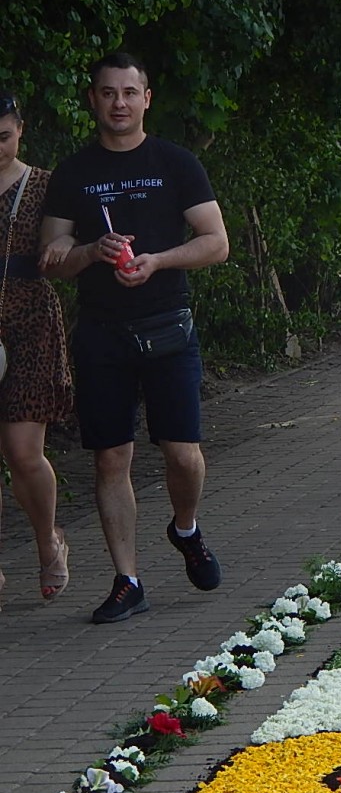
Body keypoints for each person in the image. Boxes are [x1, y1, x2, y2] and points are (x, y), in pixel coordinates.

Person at [40, 52, 229, 624]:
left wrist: (158, 261)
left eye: (129, 92)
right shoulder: (72, 173)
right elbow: (50, 258)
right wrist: (88, 253)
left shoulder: (175, 162)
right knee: (109, 459)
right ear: (92, 99)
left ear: (147, 99)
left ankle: (186, 527)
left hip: (168, 327)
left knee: (183, 454)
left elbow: (216, 242)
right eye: (107, 93)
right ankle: (128, 580)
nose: (118, 103)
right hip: (101, 334)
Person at [0, 92, 73, 604]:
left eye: (2, 137)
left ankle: (48, 540)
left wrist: (66, 246)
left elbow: (69, 245)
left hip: (29, 323)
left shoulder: (45, 185)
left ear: (21, 129)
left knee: (24, 454)